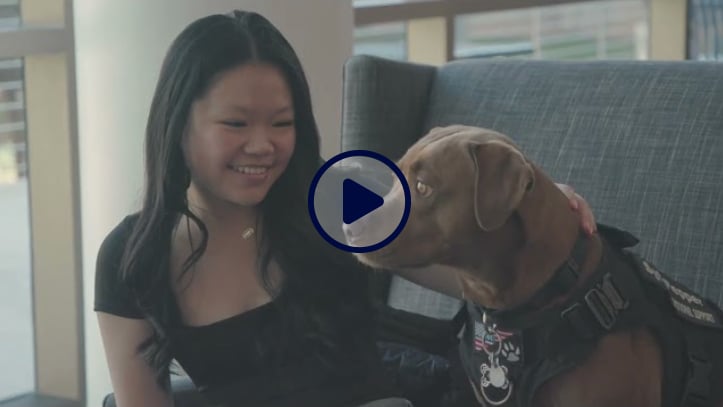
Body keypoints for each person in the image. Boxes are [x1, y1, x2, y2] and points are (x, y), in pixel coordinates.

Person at [94, 9, 597, 407]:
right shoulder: (131, 258)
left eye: (282, 123)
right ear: (179, 125)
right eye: (235, 124)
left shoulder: (335, 196)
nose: (263, 146)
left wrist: (542, 205)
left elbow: (477, 267)